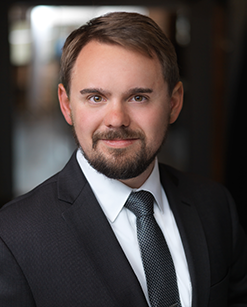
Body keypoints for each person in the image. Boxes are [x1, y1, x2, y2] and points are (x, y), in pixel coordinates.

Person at [0, 11, 247, 307]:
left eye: (138, 97)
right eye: (96, 97)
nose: (116, 119)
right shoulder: (14, 236)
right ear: (67, 105)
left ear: (174, 102)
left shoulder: (215, 206)